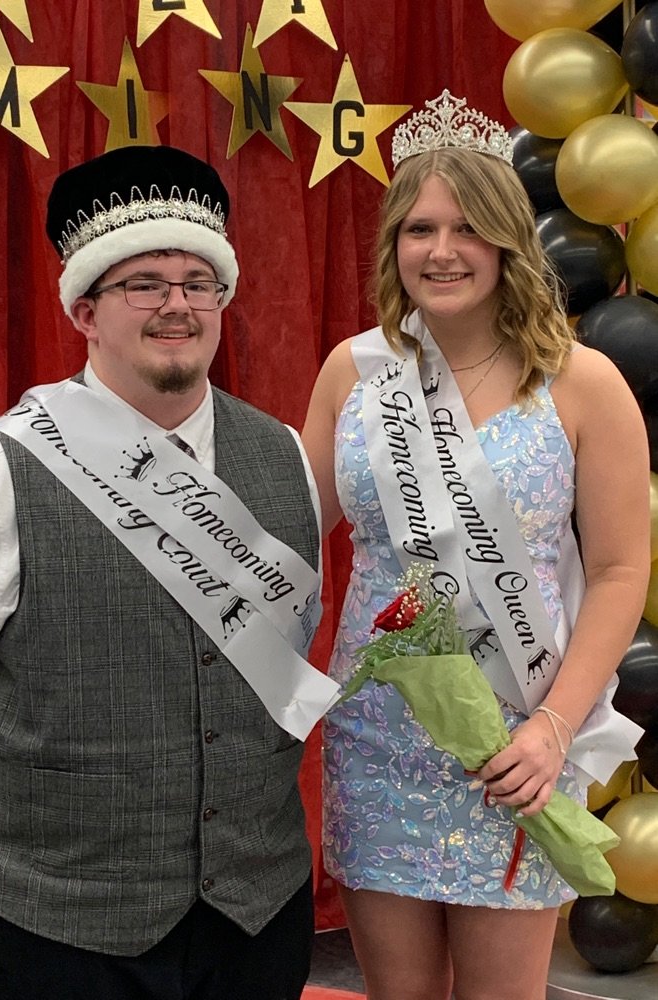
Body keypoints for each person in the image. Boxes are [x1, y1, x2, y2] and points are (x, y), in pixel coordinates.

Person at [0, 144, 341, 1000]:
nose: (176, 305)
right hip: (60, 924)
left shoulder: (283, 454)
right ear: (84, 310)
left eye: (198, 281)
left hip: (258, 910)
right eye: (143, 282)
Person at [302, 91, 650, 1000]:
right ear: (394, 244)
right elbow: (290, 542)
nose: (442, 251)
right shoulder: (354, 372)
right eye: (419, 229)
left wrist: (553, 728)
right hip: (379, 738)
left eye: (468, 227)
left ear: (507, 240)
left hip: (520, 734)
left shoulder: (583, 382)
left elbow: (620, 571)